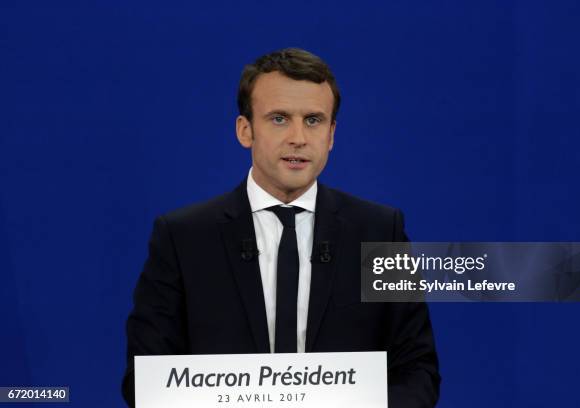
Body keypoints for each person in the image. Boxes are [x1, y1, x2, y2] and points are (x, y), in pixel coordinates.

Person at [122, 48, 440, 407]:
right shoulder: (183, 238)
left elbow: (416, 372)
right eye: (279, 119)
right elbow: (145, 379)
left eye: (314, 120)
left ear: (332, 134)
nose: (298, 138)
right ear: (245, 130)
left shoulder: (381, 232)